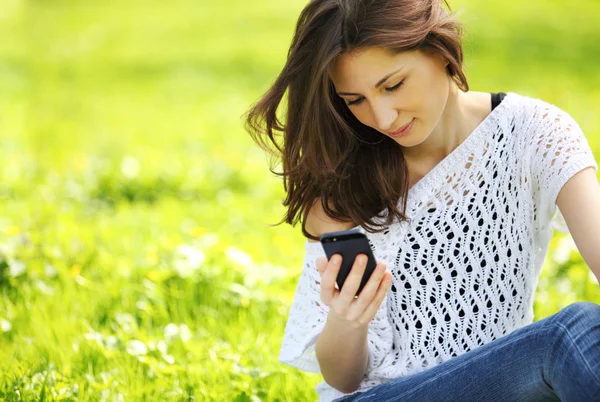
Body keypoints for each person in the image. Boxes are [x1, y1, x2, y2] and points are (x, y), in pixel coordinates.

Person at [244, 0, 600, 401]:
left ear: (440, 50)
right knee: (571, 334)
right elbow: (343, 379)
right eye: (354, 100)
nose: (382, 117)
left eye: (392, 85)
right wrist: (347, 318)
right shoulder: (343, 179)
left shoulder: (535, 133)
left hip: (503, 386)